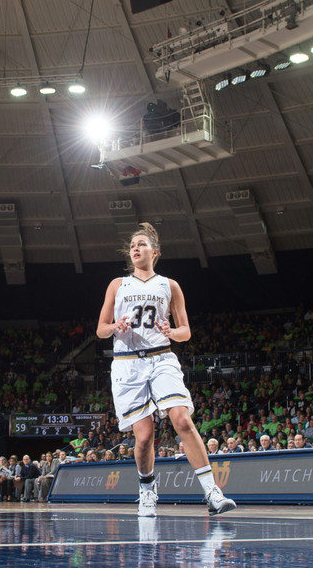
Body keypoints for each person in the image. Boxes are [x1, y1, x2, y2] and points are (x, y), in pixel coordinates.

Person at [96, 222, 235, 518]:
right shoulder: (117, 285)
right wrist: (115, 326)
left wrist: (171, 331)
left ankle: (212, 492)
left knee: (182, 419)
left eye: (141, 244)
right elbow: (101, 329)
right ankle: (147, 489)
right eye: (132, 245)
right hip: (127, 363)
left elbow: (186, 332)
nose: (135, 249)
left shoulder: (169, 285)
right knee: (144, 437)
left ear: (155, 252)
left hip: (161, 358)